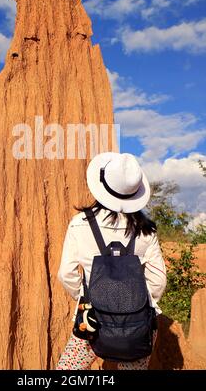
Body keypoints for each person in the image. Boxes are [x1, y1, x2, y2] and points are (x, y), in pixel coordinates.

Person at [56, 151, 167, 370]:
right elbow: (158, 281)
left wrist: (87, 297)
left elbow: (66, 274)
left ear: (102, 185)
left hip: (91, 319)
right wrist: (136, 303)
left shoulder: (80, 224)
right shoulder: (146, 230)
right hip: (138, 326)